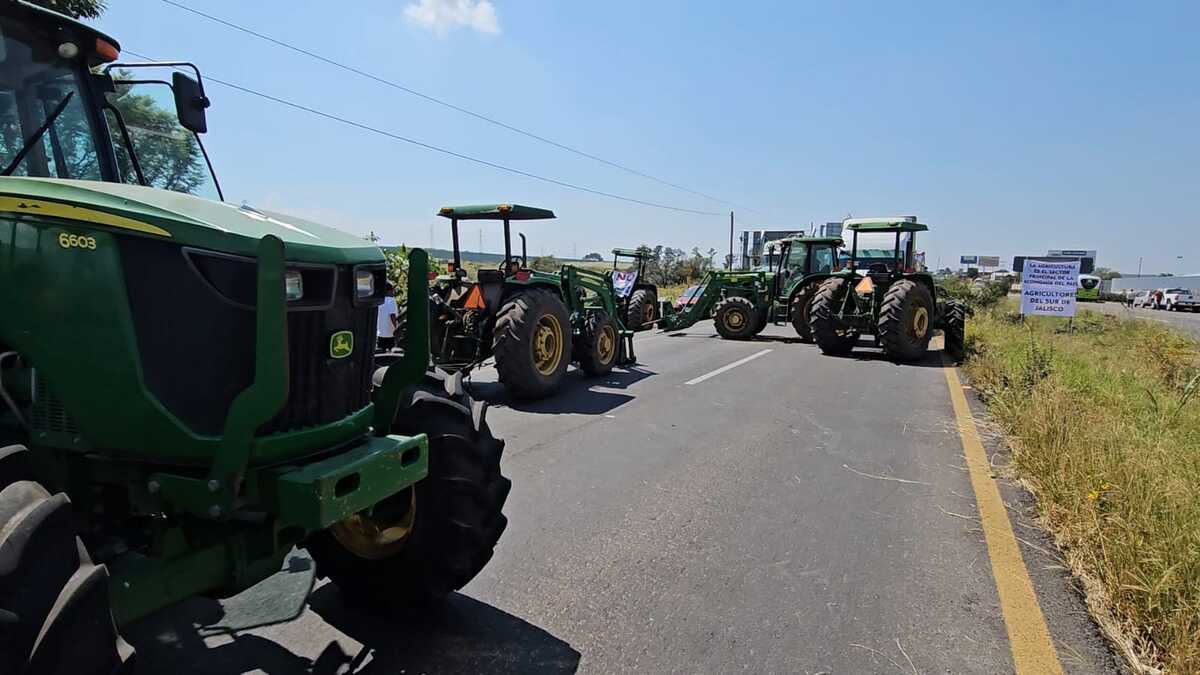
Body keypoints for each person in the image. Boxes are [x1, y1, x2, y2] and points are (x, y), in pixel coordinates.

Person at [377, 284, 399, 352]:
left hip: (379, 334)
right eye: (392, 290)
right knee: (391, 355)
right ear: (389, 291)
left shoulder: (379, 301)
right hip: (390, 333)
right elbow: (392, 315)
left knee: (381, 354)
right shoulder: (391, 300)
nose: (393, 292)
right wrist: (397, 329)